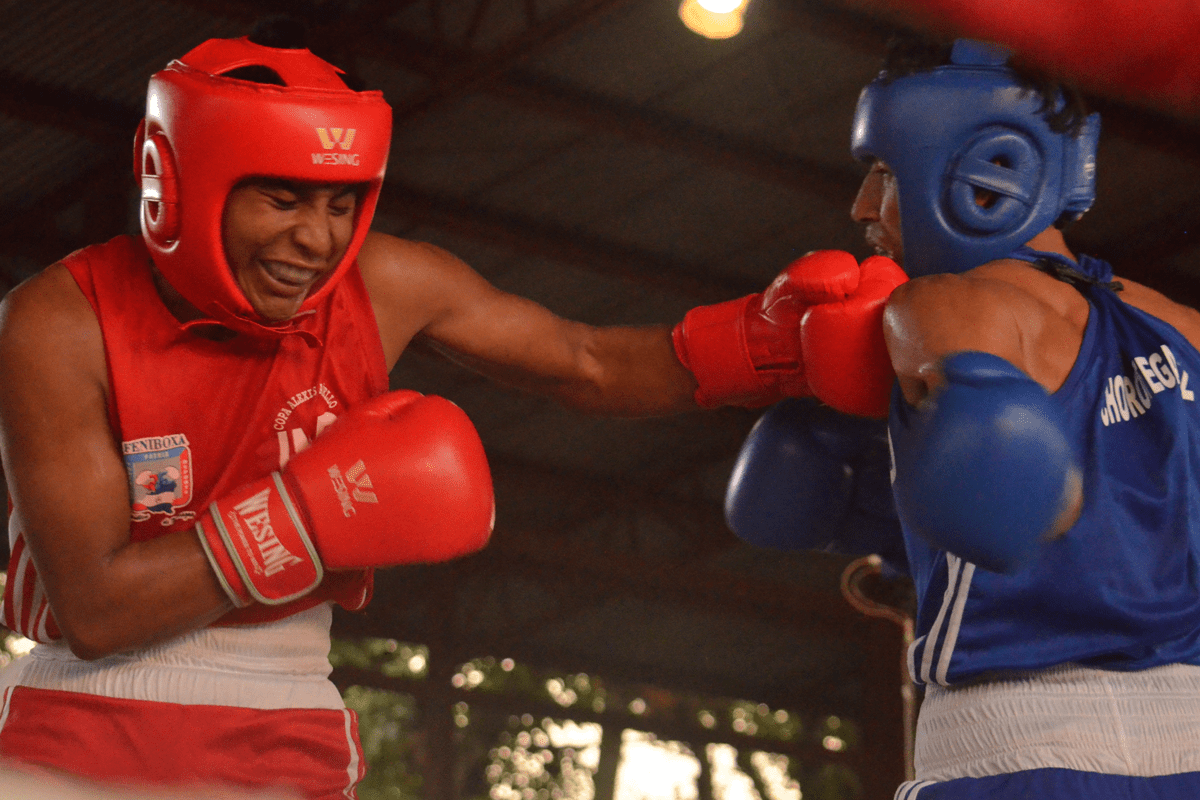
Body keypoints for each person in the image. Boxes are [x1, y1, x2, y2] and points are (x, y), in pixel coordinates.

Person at [0, 24, 905, 800]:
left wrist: (756, 343)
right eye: (282, 198)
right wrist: (302, 518)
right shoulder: (58, 321)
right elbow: (96, 611)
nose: (316, 239)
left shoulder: (385, 285)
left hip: (283, 716)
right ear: (181, 182)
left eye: (339, 203)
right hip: (78, 724)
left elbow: (585, 363)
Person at [728, 36, 1200, 798]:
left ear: (985, 171)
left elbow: (1003, 486)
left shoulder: (945, 306)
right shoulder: (1185, 326)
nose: (862, 209)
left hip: (1022, 757)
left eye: (883, 172)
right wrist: (902, 531)